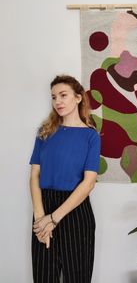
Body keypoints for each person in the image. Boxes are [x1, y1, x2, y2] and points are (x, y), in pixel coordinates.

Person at [29, 75, 100, 283]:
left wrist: (53, 219)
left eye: (63, 95)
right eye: (53, 97)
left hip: (76, 212)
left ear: (78, 98)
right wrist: (41, 219)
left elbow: (88, 183)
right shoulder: (45, 132)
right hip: (43, 208)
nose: (57, 101)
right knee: (44, 277)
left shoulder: (91, 136)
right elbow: (34, 176)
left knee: (77, 278)